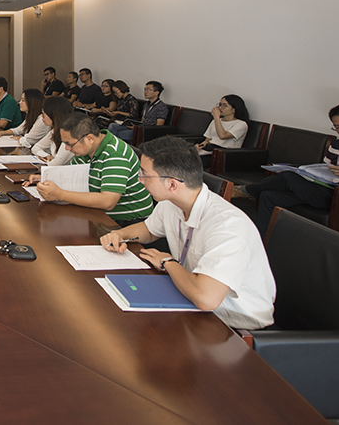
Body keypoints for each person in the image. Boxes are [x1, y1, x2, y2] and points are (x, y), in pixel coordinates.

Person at [100, 136, 275, 329]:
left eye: (145, 175)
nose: (139, 180)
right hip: (189, 300)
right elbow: (149, 230)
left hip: (233, 324)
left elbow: (206, 299)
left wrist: (167, 262)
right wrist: (121, 235)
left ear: (172, 184)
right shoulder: (172, 202)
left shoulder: (227, 227)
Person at [237, 103, 339, 231]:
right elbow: (324, 169)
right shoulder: (338, 145)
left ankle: (244, 191)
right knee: (269, 195)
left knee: (288, 177)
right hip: (322, 189)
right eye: (338, 128)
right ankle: (263, 243)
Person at [31, 112, 154, 225]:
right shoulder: (85, 150)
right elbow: (70, 175)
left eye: (69, 144)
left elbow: (108, 201)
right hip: (99, 213)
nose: (67, 149)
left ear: (90, 138)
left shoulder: (115, 154)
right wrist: (47, 178)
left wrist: (59, 194)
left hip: (128, 221)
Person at [31, 96, 77, 165]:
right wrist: (46, 156)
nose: (42, 116)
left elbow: (55, 164)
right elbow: (35, 148)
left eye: (44, 113)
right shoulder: (54, 131)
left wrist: (44, 159)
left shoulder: (70, 134)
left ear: (54, 114)